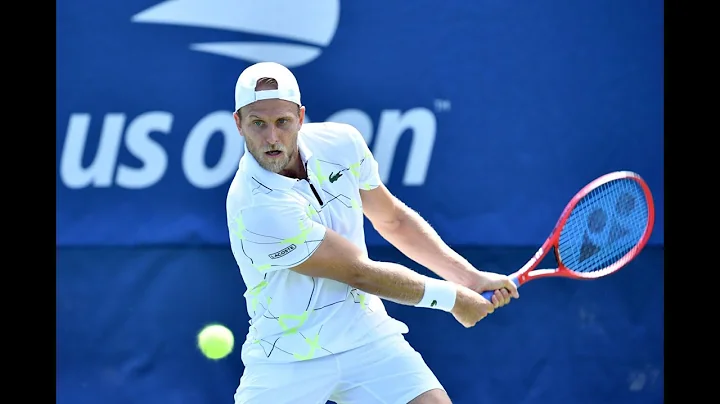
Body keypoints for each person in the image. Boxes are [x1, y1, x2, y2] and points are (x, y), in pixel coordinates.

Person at [226, 62, 520, 404]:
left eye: (282, 122)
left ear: (301, 118)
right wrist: (453, 299)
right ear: (239, 124)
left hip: (365, 337)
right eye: (258, 124)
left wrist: (469, 278)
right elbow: (358, 273)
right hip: (288, 356)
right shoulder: (255, 206)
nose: (271, 137)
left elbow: (392, 219)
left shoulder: (342, 144)